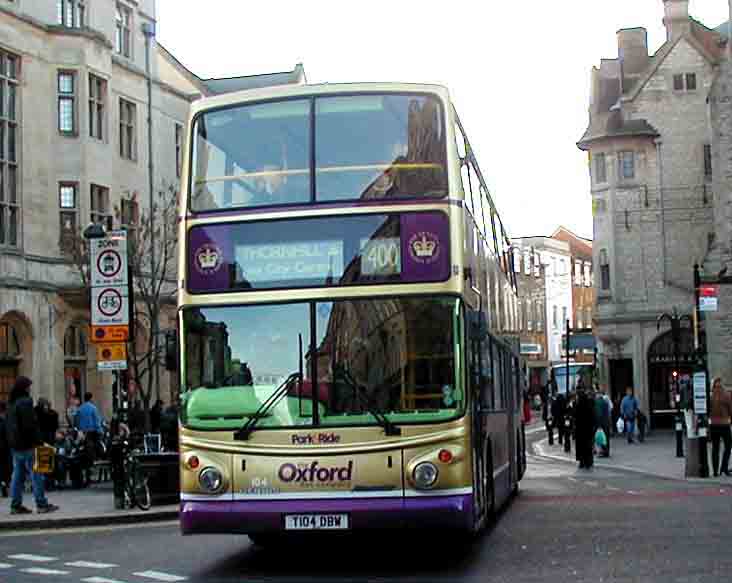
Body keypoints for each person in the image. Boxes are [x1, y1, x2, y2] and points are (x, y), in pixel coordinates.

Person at [6, 377, 58, 514]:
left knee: (17, 476)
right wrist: (40, 442)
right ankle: (41, 504)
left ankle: (15, 505)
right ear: (24, 388)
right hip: (28, 445)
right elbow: (30, 425)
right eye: (29, 386)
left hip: (15, 446)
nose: (30, 389)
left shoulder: (11, 403)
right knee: (37, 475)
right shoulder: (25, 402)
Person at [75, 392, 102, 484]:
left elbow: (77, 421)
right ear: (91, 398)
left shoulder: (80, 409)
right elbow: (97, 421)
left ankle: (86, 471)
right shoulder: (93, 408)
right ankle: (95, 462)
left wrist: (79, 430)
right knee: (95, 449)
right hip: (92, 433)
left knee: (83, 452)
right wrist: (100, 431)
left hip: (82, 433)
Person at [709, 377, 732, 477]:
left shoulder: (710, 395)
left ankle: (715, 471)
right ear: (722, 383)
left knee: (715, 448)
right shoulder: (726, 394)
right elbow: (731, 409)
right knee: (728, 446)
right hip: (724, 424)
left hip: (713, 425)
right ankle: (724, 467)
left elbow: (708, 410)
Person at [574, 389, 596, 469]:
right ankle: (588, 462)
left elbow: (575, 417)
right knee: (588, 446)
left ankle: (581, 461)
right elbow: (593, 416)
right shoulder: (589, 404)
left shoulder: (577, 405)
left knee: (581, 447)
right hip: (588, 430)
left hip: (580, 431)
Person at [594, 388, 611, 457]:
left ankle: (603, 452)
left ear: (598, 395)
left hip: (601, 423)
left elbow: (598, 414)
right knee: (606, 437)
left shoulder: (597, 402)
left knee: (601, 438)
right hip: (606, 422)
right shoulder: (605, 402)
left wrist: (598, 424)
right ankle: (607, 452)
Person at [0, 401, 10, 497]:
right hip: (4, 448)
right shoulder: (4, 421)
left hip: (4, 447)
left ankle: (3, 484)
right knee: (4, 468)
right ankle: (4, 484)